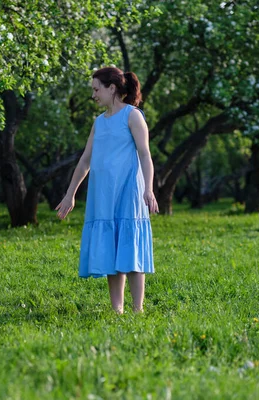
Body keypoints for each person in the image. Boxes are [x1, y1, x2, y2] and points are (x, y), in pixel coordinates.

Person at [56, 67, 158, 313]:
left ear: (111, 88)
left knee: (130, 248)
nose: (93, 95)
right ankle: (117, 310)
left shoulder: (133, 116)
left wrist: (149, 189)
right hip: (103, 194)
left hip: (129, 191)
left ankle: (137, 309)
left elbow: (145, 154)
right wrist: (70, 194)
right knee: (113, 251)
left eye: (96, 89)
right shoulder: (99, 123)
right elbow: (85, 161)